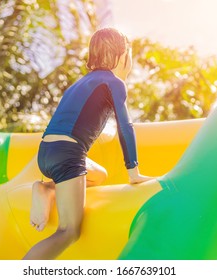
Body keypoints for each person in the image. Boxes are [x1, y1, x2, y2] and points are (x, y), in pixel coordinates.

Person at [23, 27, 153, 260]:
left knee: (100, 174)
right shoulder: (114, 83)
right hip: (68, 154)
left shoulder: (81, 83)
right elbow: (125, 126)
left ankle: (46, 188)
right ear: (123, 55)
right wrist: (133, 171)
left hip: (46, 152)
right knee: (69, 231)